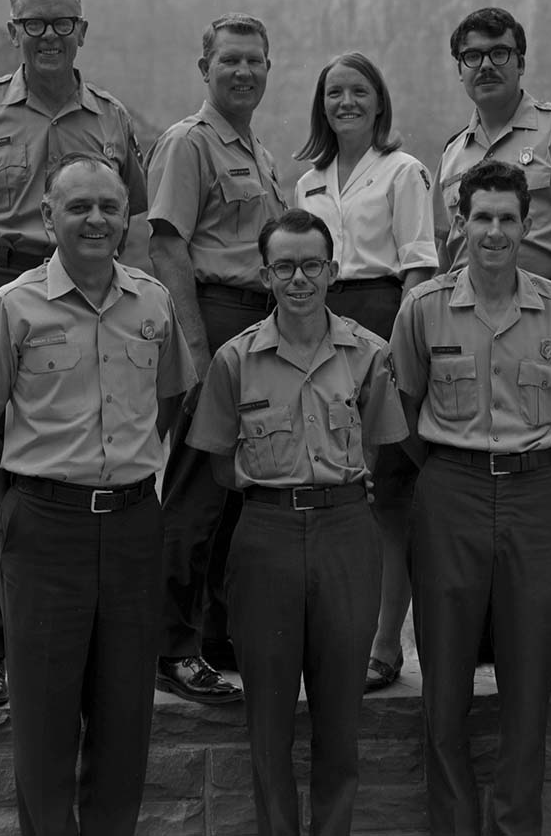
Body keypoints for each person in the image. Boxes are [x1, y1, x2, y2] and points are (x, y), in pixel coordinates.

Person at [0, 153, 197, 836]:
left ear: (127, 219)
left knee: (125, 721)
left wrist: (131, 472)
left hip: (129, 527)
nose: (96, 219)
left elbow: (170, 399)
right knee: (44, 726)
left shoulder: (152, 300)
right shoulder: (14, 306)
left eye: (110, 207)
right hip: (44, 530)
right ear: (47, 216)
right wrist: (14, 506)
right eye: (80, 206)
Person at [0, 0, 149, 708]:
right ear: (12, 30)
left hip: (89, 294)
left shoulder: (113, 120)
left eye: (62, 22)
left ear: (83, 30)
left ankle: (87, 637)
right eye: (34, 23)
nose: (48, 35)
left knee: (80, 449)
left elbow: (132, 223)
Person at [390, 161, 551, 836]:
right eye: (483, 217)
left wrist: (525, 466)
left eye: (509, 218)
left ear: (527, 226)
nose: (496, 231)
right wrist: (457, 468)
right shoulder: (423, 309)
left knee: (529, 684)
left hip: (537, 494)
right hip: (449, 493)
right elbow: (405, 410)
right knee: (444, 687)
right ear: (459, 226)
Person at [187, 208, 406, 836]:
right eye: (284, 267)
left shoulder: (369, 354)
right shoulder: (234, 361)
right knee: (269, 725)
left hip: (346, 536)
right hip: (266, 539)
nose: (299, 278)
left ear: (333, 271)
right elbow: (220, 462)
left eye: (312, 265)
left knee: (340, 722)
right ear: (265, 276)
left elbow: (382, 444)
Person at [434, 7, 551, 690]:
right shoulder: (452, 155)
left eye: (500, 52)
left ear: (521, 60)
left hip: (547, 323)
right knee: (480, 479)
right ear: (458, 67)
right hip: (470, 335)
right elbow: (442, 254)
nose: (486, 64)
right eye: (473, 54)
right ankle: (493, 636)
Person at [147, 13, 287, 704]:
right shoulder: (188, 144)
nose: (243, 72)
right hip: (212, 319)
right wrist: (196, 352)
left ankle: (213, 635)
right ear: (204, 68)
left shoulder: (258, 153)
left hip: (256, 323)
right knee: (195, 495)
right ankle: (170, 646)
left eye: (255, 61)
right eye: (230, 60)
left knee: (235, 492)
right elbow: (168, 249)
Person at [293, 51, 437, 692]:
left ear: (379, 101)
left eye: (357, 92)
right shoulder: (309, 182)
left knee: (389, 496)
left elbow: (418, 267)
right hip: (322, 331)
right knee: (339, 487)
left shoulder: (404, 171)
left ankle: (384, 645)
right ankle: (338, 637)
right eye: (333, 93)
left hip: (384, 321)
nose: (345, 102)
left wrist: (399, 354)